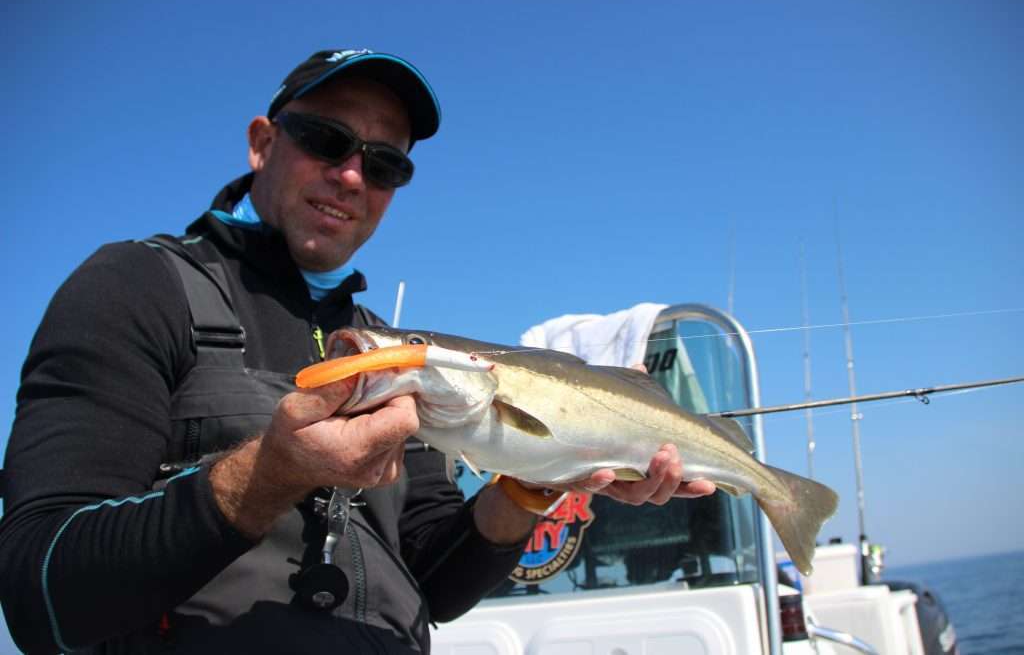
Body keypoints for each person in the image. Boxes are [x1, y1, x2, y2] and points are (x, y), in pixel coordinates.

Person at [0, 48, 715, 654]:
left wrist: (537, 480)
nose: (351, 176)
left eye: (384, 165)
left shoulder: (399, 352)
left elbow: (435, 579)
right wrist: (266, 475)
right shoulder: (134, 287)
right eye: (325, 139)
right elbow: (40, 591)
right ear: (262, 143)